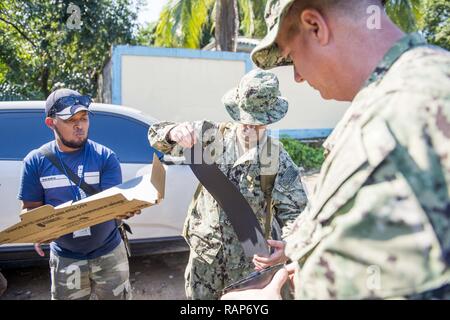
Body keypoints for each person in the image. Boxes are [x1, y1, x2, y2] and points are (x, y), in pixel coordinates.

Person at [222, 0, 450, 300]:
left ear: (316, 27)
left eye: (291, 57)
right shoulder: (415, 85)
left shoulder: (400, 115)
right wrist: (301, 248)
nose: (298, 77)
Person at [148, 69, 308, 299]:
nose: (249, 128)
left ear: (271, 118)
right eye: (245, 120)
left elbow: (296, 213)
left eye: (258, 123)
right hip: (204, 258)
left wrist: (289, 246)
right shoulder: (211, 135)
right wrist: (173, 132)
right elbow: (155, 134)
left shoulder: (276, 158)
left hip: (248, 266)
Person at [18, 88, 139, 300]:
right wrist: (38, 229)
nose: (79, 125)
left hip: (109, 251)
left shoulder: (105, 157)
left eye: (83, 118)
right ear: (51, 122)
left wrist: (125, 209)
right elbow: (30, 210)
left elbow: (112, 206)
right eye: (70, 119)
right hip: (65, 257)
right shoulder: (35, 162)